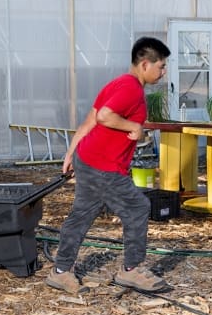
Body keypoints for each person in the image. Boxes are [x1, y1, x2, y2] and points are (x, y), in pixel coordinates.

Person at [47, 37, 172, 294]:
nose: (163, 72)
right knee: (137, 207)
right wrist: (134, 127)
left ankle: (60, 271)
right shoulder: (131, 89)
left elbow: (89, 121)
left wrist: (71, 153)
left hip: (88, 159)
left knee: (81, 216)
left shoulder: (117, 83)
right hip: (104, 166)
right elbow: (104, 117)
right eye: (161, 66)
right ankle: (131, 270)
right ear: (145, 64)